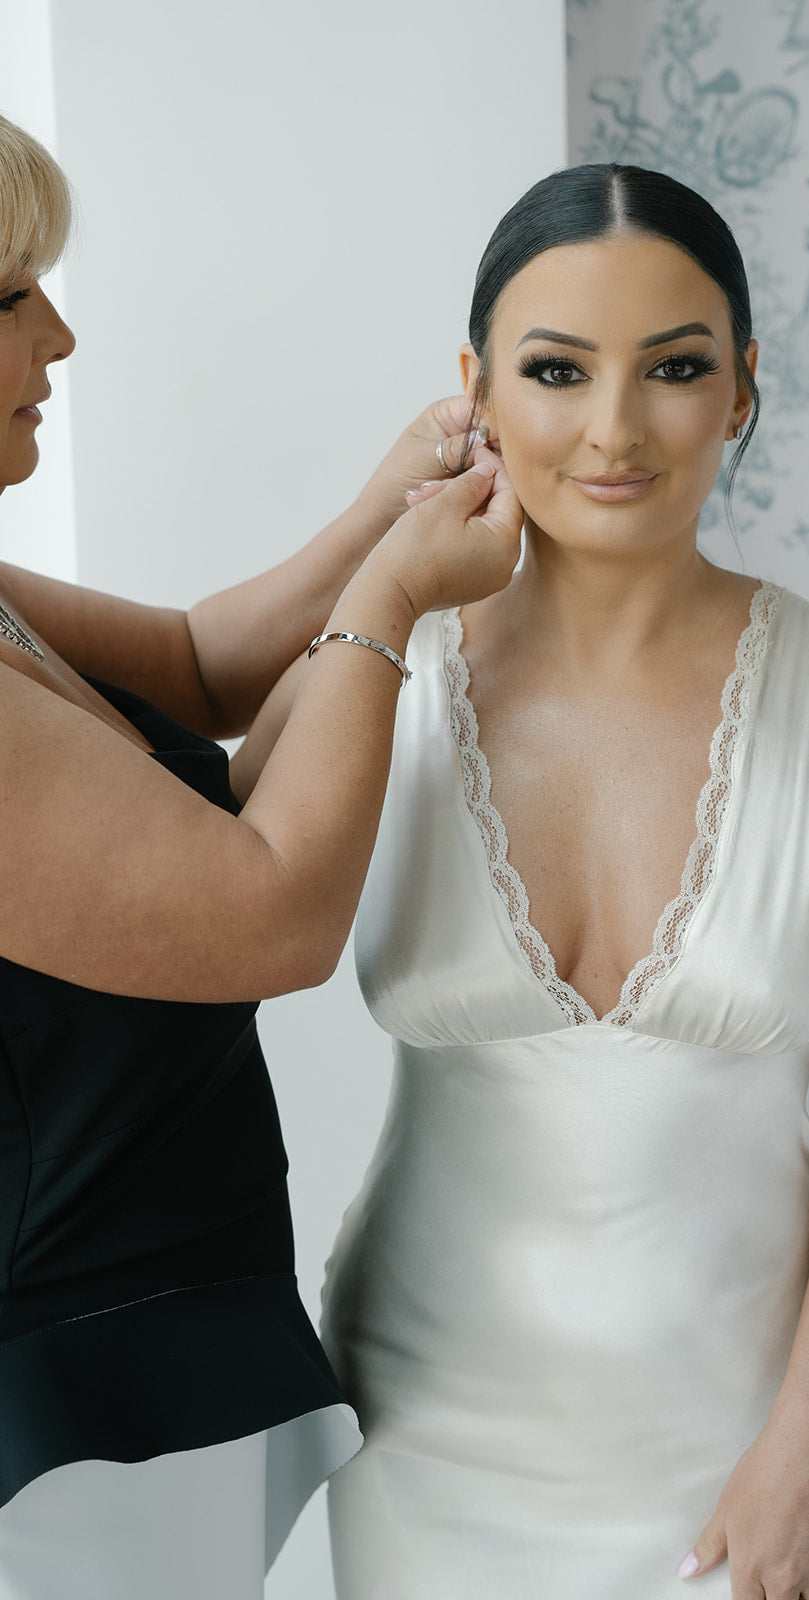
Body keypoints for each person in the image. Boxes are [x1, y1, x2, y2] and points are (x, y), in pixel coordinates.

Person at [320, 163, 809, 1600]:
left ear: (740, 390)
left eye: (675, 368)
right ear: (475, 389)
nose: (615, 430)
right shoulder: (380, 668)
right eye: (557, 371)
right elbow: (209, 912)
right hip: (415, 1447)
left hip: (738, 1456)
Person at [0, 113, 521, 1600]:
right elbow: (272, 911)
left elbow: (191, 668)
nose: (63, 334)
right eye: (14, 296)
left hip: (144, 1332)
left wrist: (385, 511)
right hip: (69, 1382)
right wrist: (398, 594)